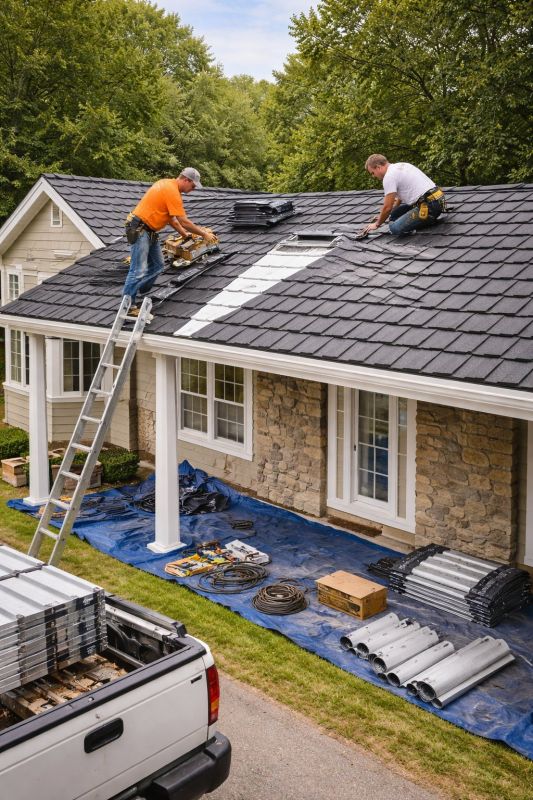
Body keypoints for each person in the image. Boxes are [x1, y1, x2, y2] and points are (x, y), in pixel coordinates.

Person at [123, 167, 217, 316]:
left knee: (158, 266)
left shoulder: (167, 185)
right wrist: (204, 234)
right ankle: (128, 307)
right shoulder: (172, 191)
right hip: (140, 229)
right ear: (186, 180)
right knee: (138, 270)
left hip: (149, 231)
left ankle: (134, 290)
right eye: (193, 186)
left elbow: (172, 220)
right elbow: (183, 221)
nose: (193, 190)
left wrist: (185, 235)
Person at [362, 155, 445, 236]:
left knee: (394, 228)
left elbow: (387, 207)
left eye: (373, 173)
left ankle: (429, 220)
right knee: (394, 214)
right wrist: (382, 216)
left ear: (378, 167)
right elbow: (399, 196)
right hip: (438, 199)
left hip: (430, 206)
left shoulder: (389, 177)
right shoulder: (402, 165)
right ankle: (426, 218)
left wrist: (377, 224)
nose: (373, 176)